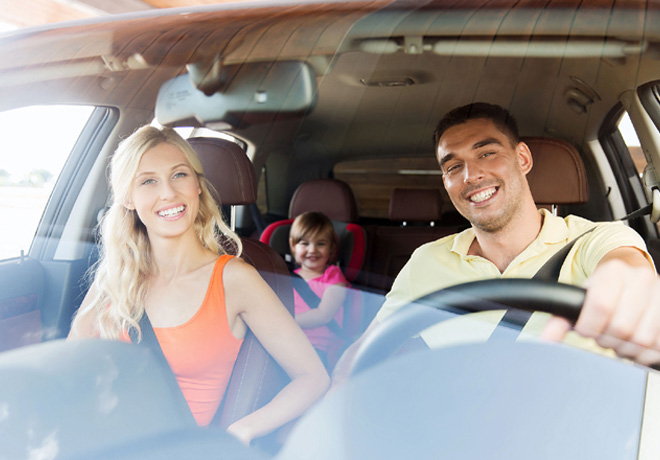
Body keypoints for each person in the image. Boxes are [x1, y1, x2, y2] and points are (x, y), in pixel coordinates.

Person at [333, 102, 660, 383]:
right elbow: (360, 355)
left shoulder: (597, 240)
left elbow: (627, 272)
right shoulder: (425, 262)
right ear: (445, 183)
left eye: (487, 153)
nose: (470, 176)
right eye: (453, 166)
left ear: (523, 159)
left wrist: (632, 291)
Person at [67, 125, 329, 446]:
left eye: (179, 175)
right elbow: (70, 365)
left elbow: (313, 376)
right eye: (148, 181)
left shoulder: (234, 279)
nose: (168, 193)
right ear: (129, 199)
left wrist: (242, 430)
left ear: (198, 186)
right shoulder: (116, 276)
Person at [289, 211, 348, 369]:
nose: (312, 250)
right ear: (293, 246)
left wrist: (286, 322)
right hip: (287, 345)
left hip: (319, 350)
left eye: (320, 244)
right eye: (305, 243)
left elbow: (324, 315)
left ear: (331, 248)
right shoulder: (287, 279)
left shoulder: (333, 276)